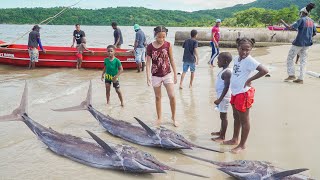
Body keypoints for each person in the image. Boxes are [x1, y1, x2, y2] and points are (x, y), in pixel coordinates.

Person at [223, 37, 268, 154]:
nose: (244, 52)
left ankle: (242, 145)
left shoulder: (249, 60)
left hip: (243, 93)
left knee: (244, 120)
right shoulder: (237, 59)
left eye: (247, 50)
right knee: (236, 117)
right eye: (242, 49)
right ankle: (234, 139)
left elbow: (264, 70)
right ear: (237, 48)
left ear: (251, 49)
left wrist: (249, 80)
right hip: (235, 92)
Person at [146, 26, 178, 127]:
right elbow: (148, 63)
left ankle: (173, 118)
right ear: (155, 35)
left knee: (172, 96)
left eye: (164, 37)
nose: (162, 39)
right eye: (159, 37)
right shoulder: (150, 47)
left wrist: (175, 74)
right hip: (155, 75)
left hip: (167, 73)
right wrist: (147, 76)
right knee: (158, 97)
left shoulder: (168, 45)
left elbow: (172, 60)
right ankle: (159, 118)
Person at [281, 3, 317, 84]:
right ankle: (301, 78)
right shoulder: (312, 21)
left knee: (290, 58)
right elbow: (314, 33)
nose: (300, 14)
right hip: (307, 44)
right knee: (303, 61)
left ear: (302, 13)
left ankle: (291, 75)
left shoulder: (301, 20)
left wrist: (282, 22)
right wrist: (307, 35)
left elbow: (290, 27)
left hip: (298, 43)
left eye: (300, 13)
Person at [211, 52, 232, 142]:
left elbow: (226, 87)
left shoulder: (227, 72)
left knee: (224, 117)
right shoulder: (224, 70)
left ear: (225, 61)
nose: (217, 62)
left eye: (219, 60)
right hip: (222, 97)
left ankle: (222, 137)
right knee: (222, 116)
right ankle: (221, 132)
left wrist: (220, 99)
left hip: (224, 98)